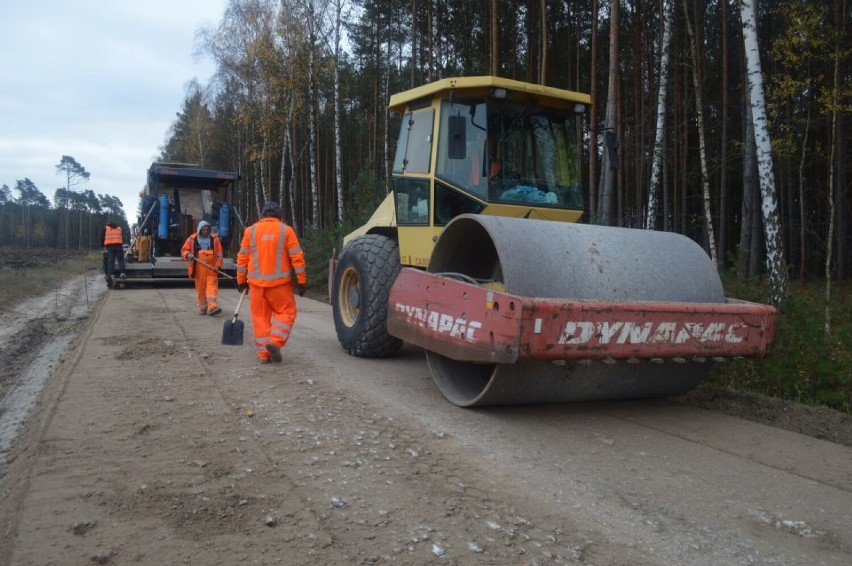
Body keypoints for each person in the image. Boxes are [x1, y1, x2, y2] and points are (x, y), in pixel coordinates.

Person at [236, 201, 307, 364]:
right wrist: (302, 282)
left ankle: (263, 354)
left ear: (262, 215)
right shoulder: (286, 231)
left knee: (260, 319)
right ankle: (274, 342)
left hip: (256, 286)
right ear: (279, 215)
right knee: (286, 313)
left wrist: (241, 281)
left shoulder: (250, 231)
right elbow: (297, 257)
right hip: (280, 286)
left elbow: (242, 258)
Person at [181, 220, 224, 316]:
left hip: (211, 268)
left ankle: (212, 307)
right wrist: (188, 255)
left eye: (207, 229)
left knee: (211, 287)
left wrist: (218, 265)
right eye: (203, 229)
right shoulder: (192, 239)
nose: (205, 231)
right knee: (200, 289)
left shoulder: (215, 239)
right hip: (198, 268)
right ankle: (203, 307)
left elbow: (219, 254)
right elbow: (184, 250)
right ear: (199, 230)